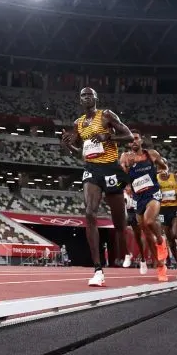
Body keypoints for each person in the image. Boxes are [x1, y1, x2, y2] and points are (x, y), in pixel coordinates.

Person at [61, 87, 133, 287]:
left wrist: (108, 137)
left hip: (111, 168)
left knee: (119, 223)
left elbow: (128, 137)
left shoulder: (106, 115)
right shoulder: (78, 124)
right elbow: (81, 153)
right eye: (82, 95)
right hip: (91, 169)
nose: (86, 97)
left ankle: (125, 252)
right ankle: (98, 269)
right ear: (80, 100)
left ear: (95, 98)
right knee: (90, 214)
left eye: (89, 94)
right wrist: (68, 145)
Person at [120, 132, 169, 281]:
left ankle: (161, 241)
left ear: (141, 140)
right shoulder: (125, 157)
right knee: (146, 234)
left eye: (135, 138)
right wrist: (125, 173)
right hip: (138, 197)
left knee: (149, 221)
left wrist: (165, 171)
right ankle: (160, 267)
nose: (133, 141)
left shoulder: (152, 154)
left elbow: (164, 166)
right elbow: (122, 174)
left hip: (153, 193)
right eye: (130, 140)